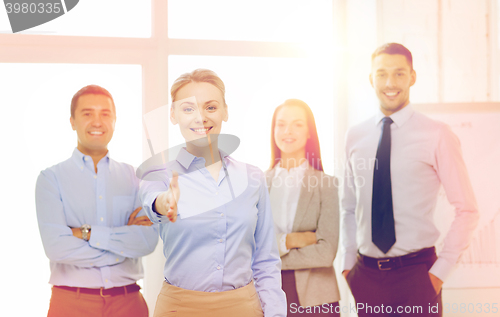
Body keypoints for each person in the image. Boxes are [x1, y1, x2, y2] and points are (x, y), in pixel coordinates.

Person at [340, 43, 479, 317]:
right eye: (381, 74)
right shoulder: (355, 136)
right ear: (371, 79)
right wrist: (348, 267)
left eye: (399, 74)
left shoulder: (437, 134)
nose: (390, 83)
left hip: (418, 277)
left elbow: (468, 210)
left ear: (412, 77)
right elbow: (348, 206)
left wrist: (439, 273)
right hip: (366, 277)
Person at [139, 69, 287, 317]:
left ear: (225, 111)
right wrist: (164, 203)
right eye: (188, 109)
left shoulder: (252, 178)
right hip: (179, 308)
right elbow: (152, 203)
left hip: (244, 307)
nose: (201, 118)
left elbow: (266, 260)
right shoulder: (158, 174)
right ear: (173, 115)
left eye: (210, 107)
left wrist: (275, 313)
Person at [35, 85, 159, 317]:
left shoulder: (135, 177)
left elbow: (145, 243)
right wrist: (122, 244)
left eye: (105, 113)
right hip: (71, 303)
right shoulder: (51, 179)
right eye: (87, 113)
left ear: (114, 121)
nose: (97, 121)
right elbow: (57, 248)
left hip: (128, 303)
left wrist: (84, 233)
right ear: (72, 121)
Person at [266, 99, 340, 316]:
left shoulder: (326, 184)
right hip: (268, 293)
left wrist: (273, 254)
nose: (288, 131)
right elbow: (250, 246)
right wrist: (291, 240)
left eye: (297, 124)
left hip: (317, 298)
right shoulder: (257, 183)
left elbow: (326, 253)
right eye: (281, 124)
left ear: (309, 132)